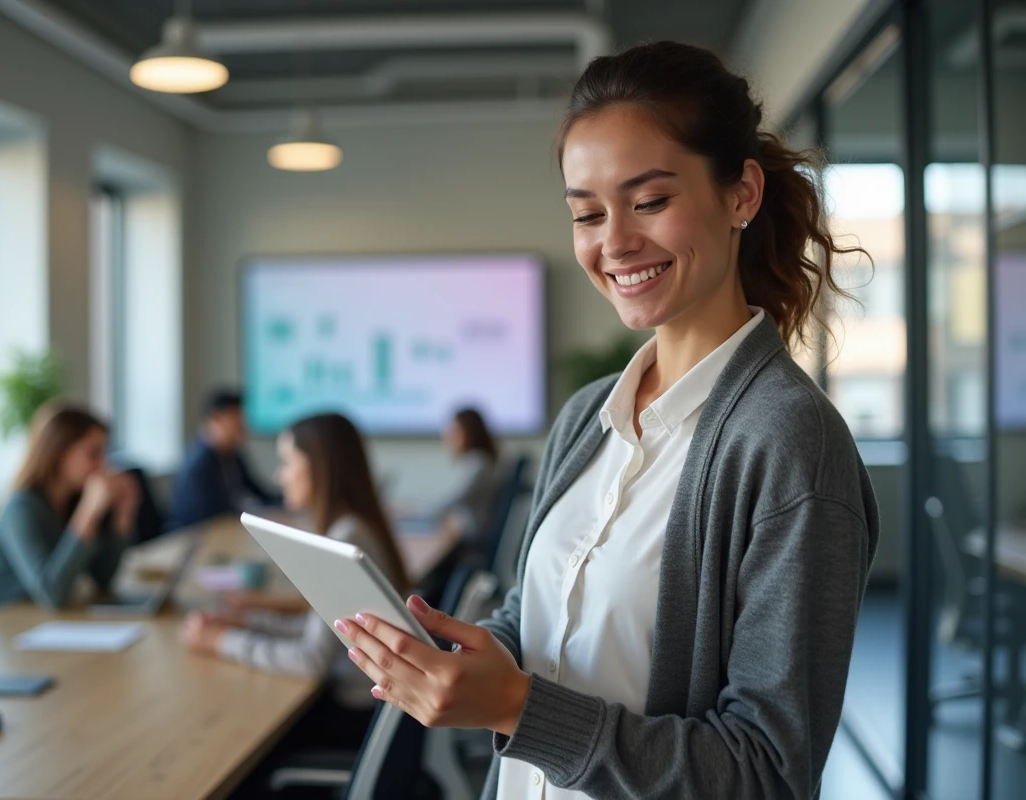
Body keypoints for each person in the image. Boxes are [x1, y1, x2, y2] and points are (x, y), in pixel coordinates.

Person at [335, 41, 880, 800]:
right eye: (587, 213)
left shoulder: (790, 444)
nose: (614, 242)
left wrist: (517, 708)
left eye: (649, 201)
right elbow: (541, 620)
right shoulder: (586, 416)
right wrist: (466, 659)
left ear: (742, 195)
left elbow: (768, 774)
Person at [182, 412, 410, 744]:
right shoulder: (354, 526)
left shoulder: (345, 538)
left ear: (319, 467)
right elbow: (320, 629)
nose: (280, 475)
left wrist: (221, 641)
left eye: (287, 462)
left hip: (354, 713)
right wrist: (245, 622)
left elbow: (311, 658)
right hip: (364, 705)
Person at [0, 402, 139, 610]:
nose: (103, 465)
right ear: (60, 453)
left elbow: (103, 577)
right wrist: (88, 512)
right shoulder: (20, 508)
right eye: (93, 453)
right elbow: (52, 593)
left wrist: (123, 515)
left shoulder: (71, 502)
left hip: (42, 620)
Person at [167, 388, 280, 530]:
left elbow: (258, 491)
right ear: (216, 419)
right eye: (237, 420)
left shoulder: (231, 454)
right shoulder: (199, 464)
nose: (243, 427)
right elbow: (206, 518)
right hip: (195, 535)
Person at [419, 408, 500, 546]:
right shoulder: (478, 461)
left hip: (471, 538)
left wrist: (414, 511)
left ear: (469, 433)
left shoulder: (478, 464)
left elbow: (450, 501)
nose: (448, 436)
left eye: (455, 431)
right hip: (469, 532)